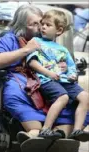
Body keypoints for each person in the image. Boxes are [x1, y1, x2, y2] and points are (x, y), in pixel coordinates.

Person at [0, 5, 89, 145]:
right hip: (19, 78)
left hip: (49, 80)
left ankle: (61, 134)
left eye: (41, 22)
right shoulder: (9, 39)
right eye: (34, 24)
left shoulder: (47, 41)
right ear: (22, 25)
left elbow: (60, 59)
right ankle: (35, 132)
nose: (41, 27)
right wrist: (25, 50)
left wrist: (63, 68)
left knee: (76, 98)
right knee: (16, 93)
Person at [24, 9, 89, 141]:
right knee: (63, 97)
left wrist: (72, 75)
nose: (43, 27)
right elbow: (32, 63)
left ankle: (77, 130)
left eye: (48, 25)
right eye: (42, 24)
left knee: (85, 96)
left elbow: (72, 68)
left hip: (64, 80)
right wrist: (49, 73)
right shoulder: (36, 41)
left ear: (58, 31)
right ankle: (46, 129)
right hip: (46, 80)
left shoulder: (63, 49)